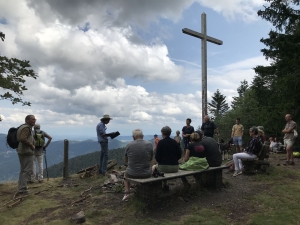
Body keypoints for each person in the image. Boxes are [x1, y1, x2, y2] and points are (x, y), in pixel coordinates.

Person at [122, 129, 153, 201]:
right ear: (142, 136)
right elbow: (150, 159)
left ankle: (127, 193)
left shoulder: (129, 145)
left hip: (132, 173)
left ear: (133, 137)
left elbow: (126, 160)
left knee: (125, 175)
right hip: (147, 173)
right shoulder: (149, 144)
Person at [154, 126, 182, 190]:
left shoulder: (161, 142)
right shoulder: (174, 142)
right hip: (175, 167)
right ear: (170, 133)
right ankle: (165, 184)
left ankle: (163, 185)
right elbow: (179, 155)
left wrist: (161, 162)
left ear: (163, 133)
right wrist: (174, 160)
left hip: (163, 167)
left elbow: (157, 157)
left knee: (153, 167)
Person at [16, 115, 36, 196]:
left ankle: (21, 187)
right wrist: (31, 145)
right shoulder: (26, 128)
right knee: (27, 170)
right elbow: (22, 138)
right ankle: (23, 189)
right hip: (26, 152)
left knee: (23, 170)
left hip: (22, 151)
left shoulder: (23, 127)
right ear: (27, 120)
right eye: (32, 119)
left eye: (35, 119)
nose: (34, 120)